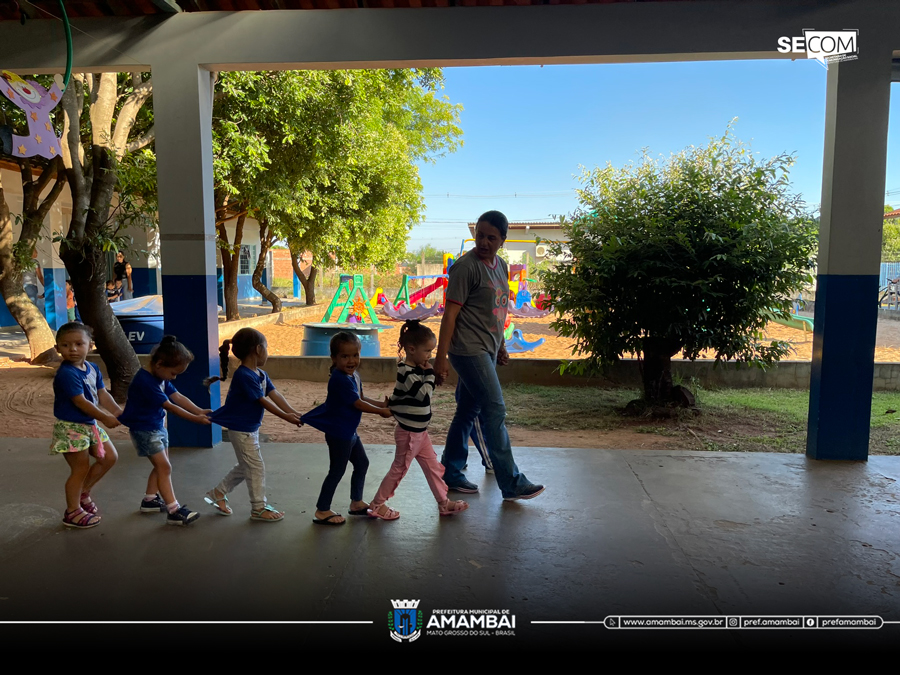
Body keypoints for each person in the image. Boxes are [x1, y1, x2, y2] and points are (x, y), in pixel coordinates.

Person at [433, 210, 544, 501]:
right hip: (469, 351)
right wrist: (440, 358)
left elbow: (497, 311)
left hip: (488, 349)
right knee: (495, 410)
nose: (483, 242)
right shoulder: (465, 268)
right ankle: (511, 482)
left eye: (491, 237)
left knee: (468, 411)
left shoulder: (500, 266)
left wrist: (502, 346)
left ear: (502, 241)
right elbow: (450, 316)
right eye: (480, 235)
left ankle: (451, 471)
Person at [366, 321, 468, 521]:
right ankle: (377, 505)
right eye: (427, 351)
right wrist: (431, 373)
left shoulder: (417, 370)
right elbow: (423, 395)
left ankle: (443, 503)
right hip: (410, 434)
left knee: (433, 468)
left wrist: (432, 377)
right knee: (399, 469)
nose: (429, 356)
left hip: (421, 433)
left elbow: (418, 391)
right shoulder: (406, 371)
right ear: (411, 349)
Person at [203, 328, 301, 522]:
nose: (267, 352)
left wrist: (293, 412)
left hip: (250, 429)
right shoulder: (244, 376)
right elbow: (262, 401)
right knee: (255, 467)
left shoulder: (261, 374)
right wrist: (286, 417)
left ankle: (218, 493)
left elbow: (274, 395)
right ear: (258, 349)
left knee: (246, 466)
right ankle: (258, 507)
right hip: (241, 430)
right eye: (266, 347)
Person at [118, 336, 212, 526]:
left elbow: (177, 396)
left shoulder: (160, 376)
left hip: (157, 427)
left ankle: (150, 500)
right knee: (164, 467)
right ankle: (174, 510)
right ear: (160, 364)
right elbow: (170, 405)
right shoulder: (146, 381)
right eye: (173, 373)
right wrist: (195, 419)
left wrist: (199, 410)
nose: (174, 377)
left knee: (162, 466)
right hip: (145, 430)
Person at [302, 331, 392, 526]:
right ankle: (322, 509)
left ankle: (356, 502)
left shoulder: (353, 376)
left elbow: (361, 398)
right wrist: (380, 412)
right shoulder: (339, 379)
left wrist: (381, 405)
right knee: (337, 471)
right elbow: (357, 404)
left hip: (349, 432)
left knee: (362, 464)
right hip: (339, 433)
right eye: (345, 356)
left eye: (355, 355)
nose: (351, 360)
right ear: (334, 358)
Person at [49, 323, 121, 528]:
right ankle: (72, 512)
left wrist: (116, 411)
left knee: (109, 457)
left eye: (79, 344)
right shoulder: (67, 374)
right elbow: (81, 401)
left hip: (88, 425)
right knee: (79, 469)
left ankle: (82, 493)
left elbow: (102, 394)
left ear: (90, 346)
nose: (72, 349)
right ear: (58, 349)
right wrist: (105, 418)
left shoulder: (92, 368)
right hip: (71, 428)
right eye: (65, 345)